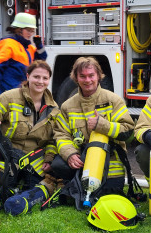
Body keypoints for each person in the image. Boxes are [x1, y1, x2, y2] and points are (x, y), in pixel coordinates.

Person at [52, 56, 134, 192]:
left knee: (109, 192)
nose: (87, 80)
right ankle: (75, 182)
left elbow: (128, 131)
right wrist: (70, 154)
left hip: (110, 161)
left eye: (91, 75)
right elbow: (61, 135)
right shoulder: (67, 106)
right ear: (76, 78)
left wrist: (102, 125)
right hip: (81, 160)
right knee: (59, 164)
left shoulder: (113, 100)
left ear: (99, 76)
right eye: (82, 76)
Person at [0, 60, 61, 215]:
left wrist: (49, 158)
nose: (40, 81)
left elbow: (53, 139)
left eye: (45, 78)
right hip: (7, 156)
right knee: (2, 190)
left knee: (36, 187)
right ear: (28, 76)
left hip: (34, 159)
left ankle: (17, 192)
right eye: (36, 77)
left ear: (49, 80)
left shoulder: (53, 109)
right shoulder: (9, 97)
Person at [0, 12, 47, 95]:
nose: (30, 34)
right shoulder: (8, 43)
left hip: (20, 93)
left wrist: (39, 45)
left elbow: (41, 60)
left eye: (32, 31)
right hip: (7, 93)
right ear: (19, 30)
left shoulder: (27, 47)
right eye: (28, 30)